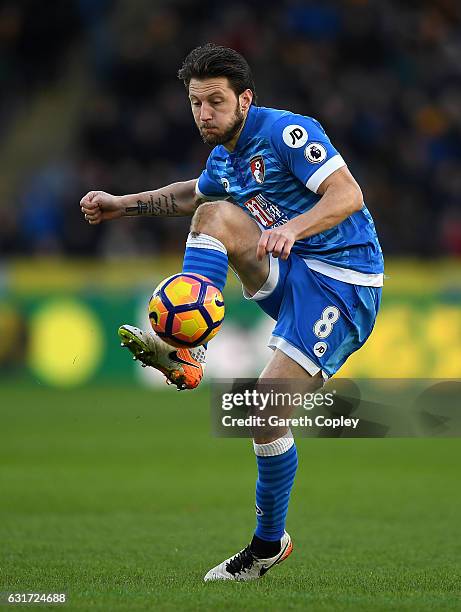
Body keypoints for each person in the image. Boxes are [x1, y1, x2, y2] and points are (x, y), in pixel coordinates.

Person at [80, 43, 384, 581]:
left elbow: (348, 195)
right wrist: (120, 204)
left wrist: (292, 228)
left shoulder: (289, 132)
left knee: (264, 414)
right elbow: (185, 198)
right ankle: (184, 351)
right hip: (288, 271)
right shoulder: (225, 158)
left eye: (215, 102)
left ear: (245, 99)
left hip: (343, 282)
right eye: (196, 103)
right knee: (213, 212)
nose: (204, 114)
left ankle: (268, 546)